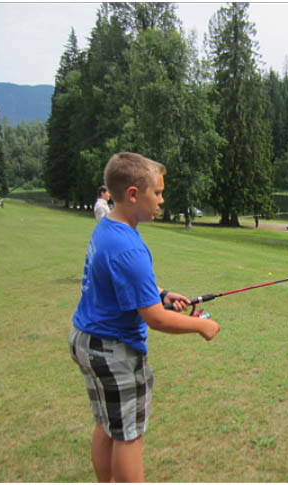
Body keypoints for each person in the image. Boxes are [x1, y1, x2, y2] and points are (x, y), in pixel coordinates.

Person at [68, 152, 220, 482]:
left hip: (86, 339)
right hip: (113, 350)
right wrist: (202, 325)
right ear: (134, 194)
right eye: (158, 193)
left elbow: (126, 282)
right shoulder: (129, 248)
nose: (162, 201)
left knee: (108, 424)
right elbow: (156, 319)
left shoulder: (107, 227)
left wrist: (161, 294)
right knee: (128, 434)